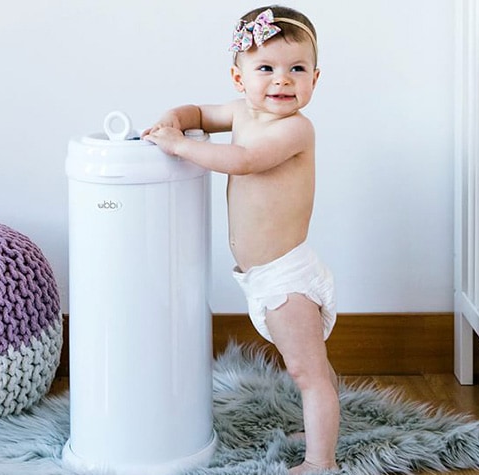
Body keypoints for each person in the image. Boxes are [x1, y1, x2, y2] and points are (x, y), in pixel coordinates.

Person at [143, 6, 339, 474]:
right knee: (312, 366)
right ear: (239, 76)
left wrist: (178, 145)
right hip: (263, 276)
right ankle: (321, 425)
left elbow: (244, 160)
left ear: (315, 77)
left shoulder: (295, 129)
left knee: (307, 373)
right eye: (266, 68)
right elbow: (198, 112)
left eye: (296, 69)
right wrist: (174, 117)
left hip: (287, 276)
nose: (282, 81)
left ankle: (321, 460)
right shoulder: (240, 113)